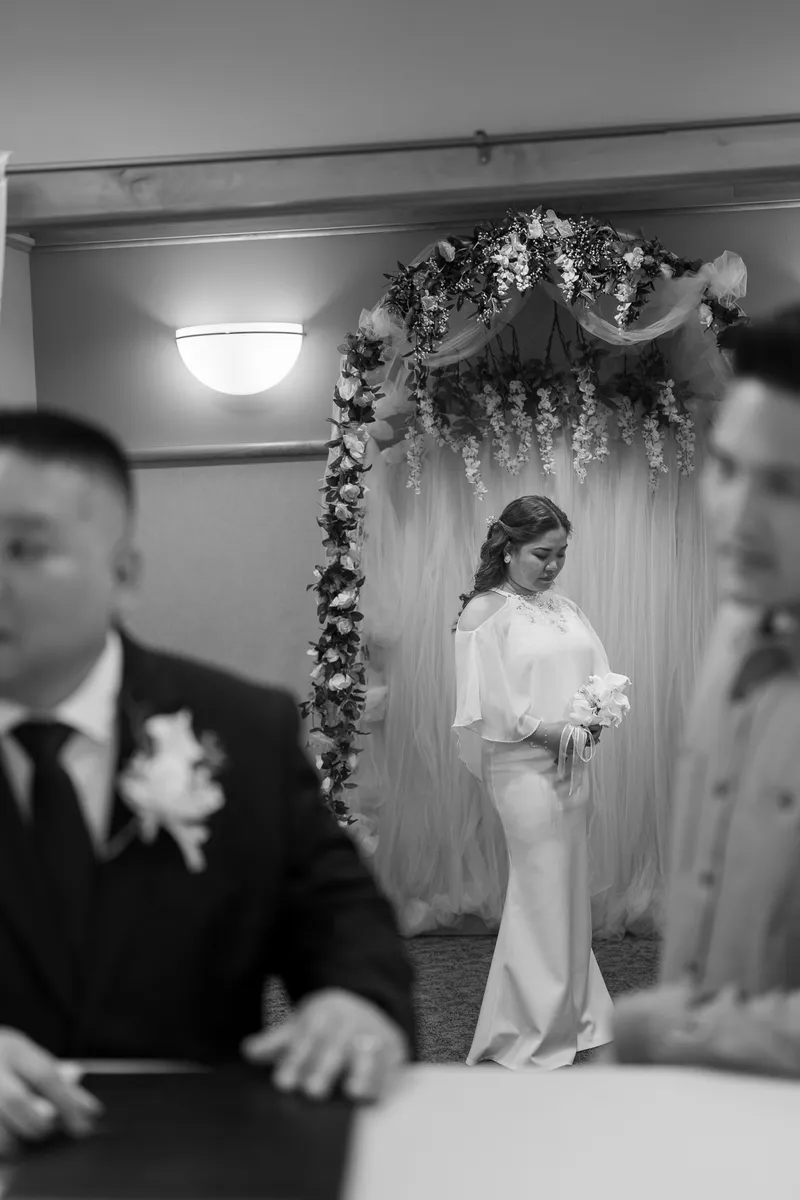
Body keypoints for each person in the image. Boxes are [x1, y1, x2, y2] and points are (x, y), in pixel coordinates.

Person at [0, 409, 415, 1150]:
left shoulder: (241, 731)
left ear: (122, 574)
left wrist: (356, 1002)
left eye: (23, 548)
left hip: (201, 1153)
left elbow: (342, 919)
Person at [611, 303, 800, 1076]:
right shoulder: (737, 628)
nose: (737, 518)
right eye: (726, 469)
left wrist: (686, 1036)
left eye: (787, 486)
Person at [453, 495, 618, 1070]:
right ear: (508, 548)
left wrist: (595, 716)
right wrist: (547, 731)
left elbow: (597, 672)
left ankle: (578, 1012)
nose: (552, 567)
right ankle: (530, 1026)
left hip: (574, 760)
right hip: (523, 768)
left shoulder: (565, 608)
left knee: (568, 887)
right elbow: (486, 702)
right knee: (540, 887)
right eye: (541, 555)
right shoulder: (483, 613)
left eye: (561, 555)